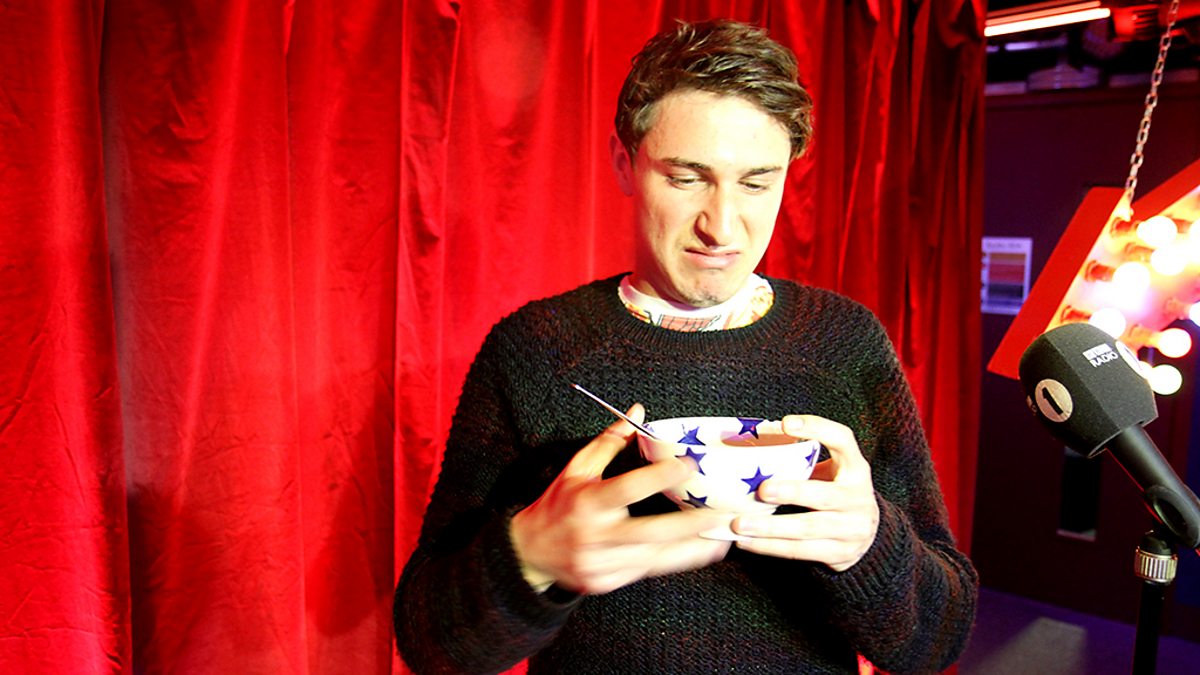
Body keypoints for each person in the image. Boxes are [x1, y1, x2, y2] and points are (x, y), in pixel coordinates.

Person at [394, 19, 977, 674]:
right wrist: (529, 558)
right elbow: (431, 643)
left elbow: (938, 641)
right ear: (625, 163)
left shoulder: (843, 343)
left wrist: (871, 547)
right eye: (686, 178)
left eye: (756, 182)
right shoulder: (537, 349)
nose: (721, 227)